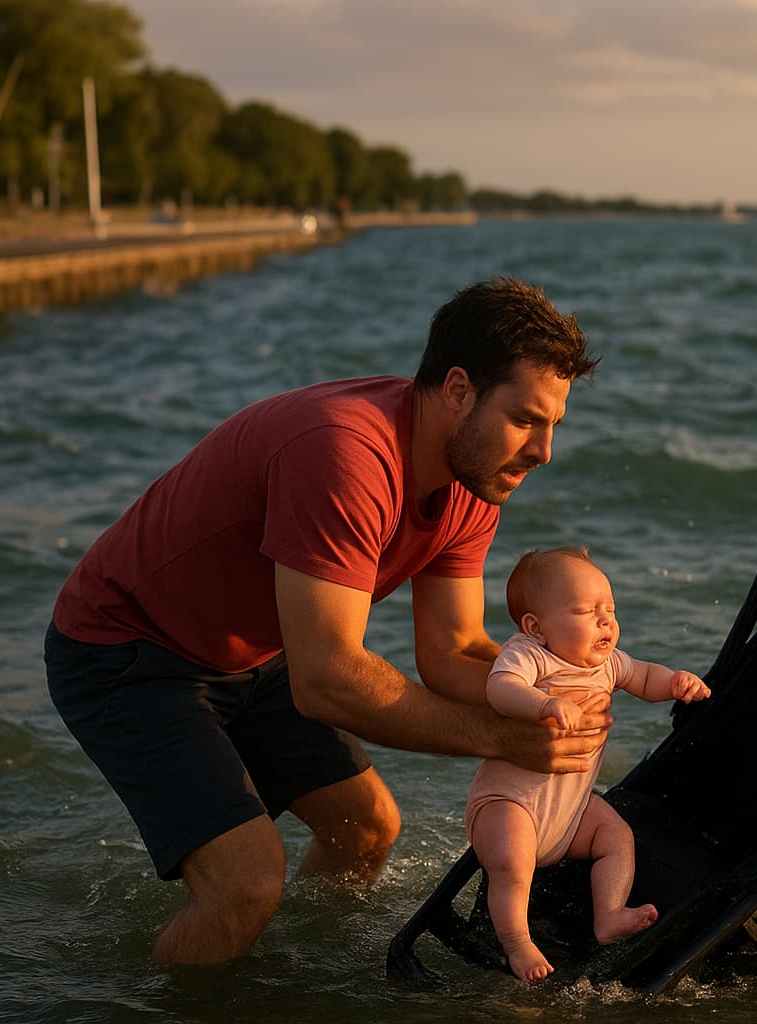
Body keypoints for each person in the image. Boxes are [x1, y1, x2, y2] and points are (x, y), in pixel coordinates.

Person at [44, 276, 609, 965]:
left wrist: (563, 693)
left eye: (554, 425)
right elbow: (327, 679)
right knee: (247, 885)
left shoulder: (472, 477)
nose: (543, 451)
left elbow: (454, 648)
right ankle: (155, 1000)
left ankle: (299, 967)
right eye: (525, 419)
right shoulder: (346, 453)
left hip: (258, 653)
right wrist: (497, 736)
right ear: (459, 390)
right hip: (126, 648)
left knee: (366, 831)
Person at [466, 546, 711, 981]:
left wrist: (675, 681)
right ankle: (518, 942)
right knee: (511, 864)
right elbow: (500, 688)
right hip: (509, 802)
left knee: (616, 836)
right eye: (586, 611)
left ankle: (609, 914)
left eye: (609, 610)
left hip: (570, 812)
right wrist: (543, 703)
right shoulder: (531, 655)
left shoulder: (609, 663)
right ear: (536, 627)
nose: (605, 621)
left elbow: (643, 676)